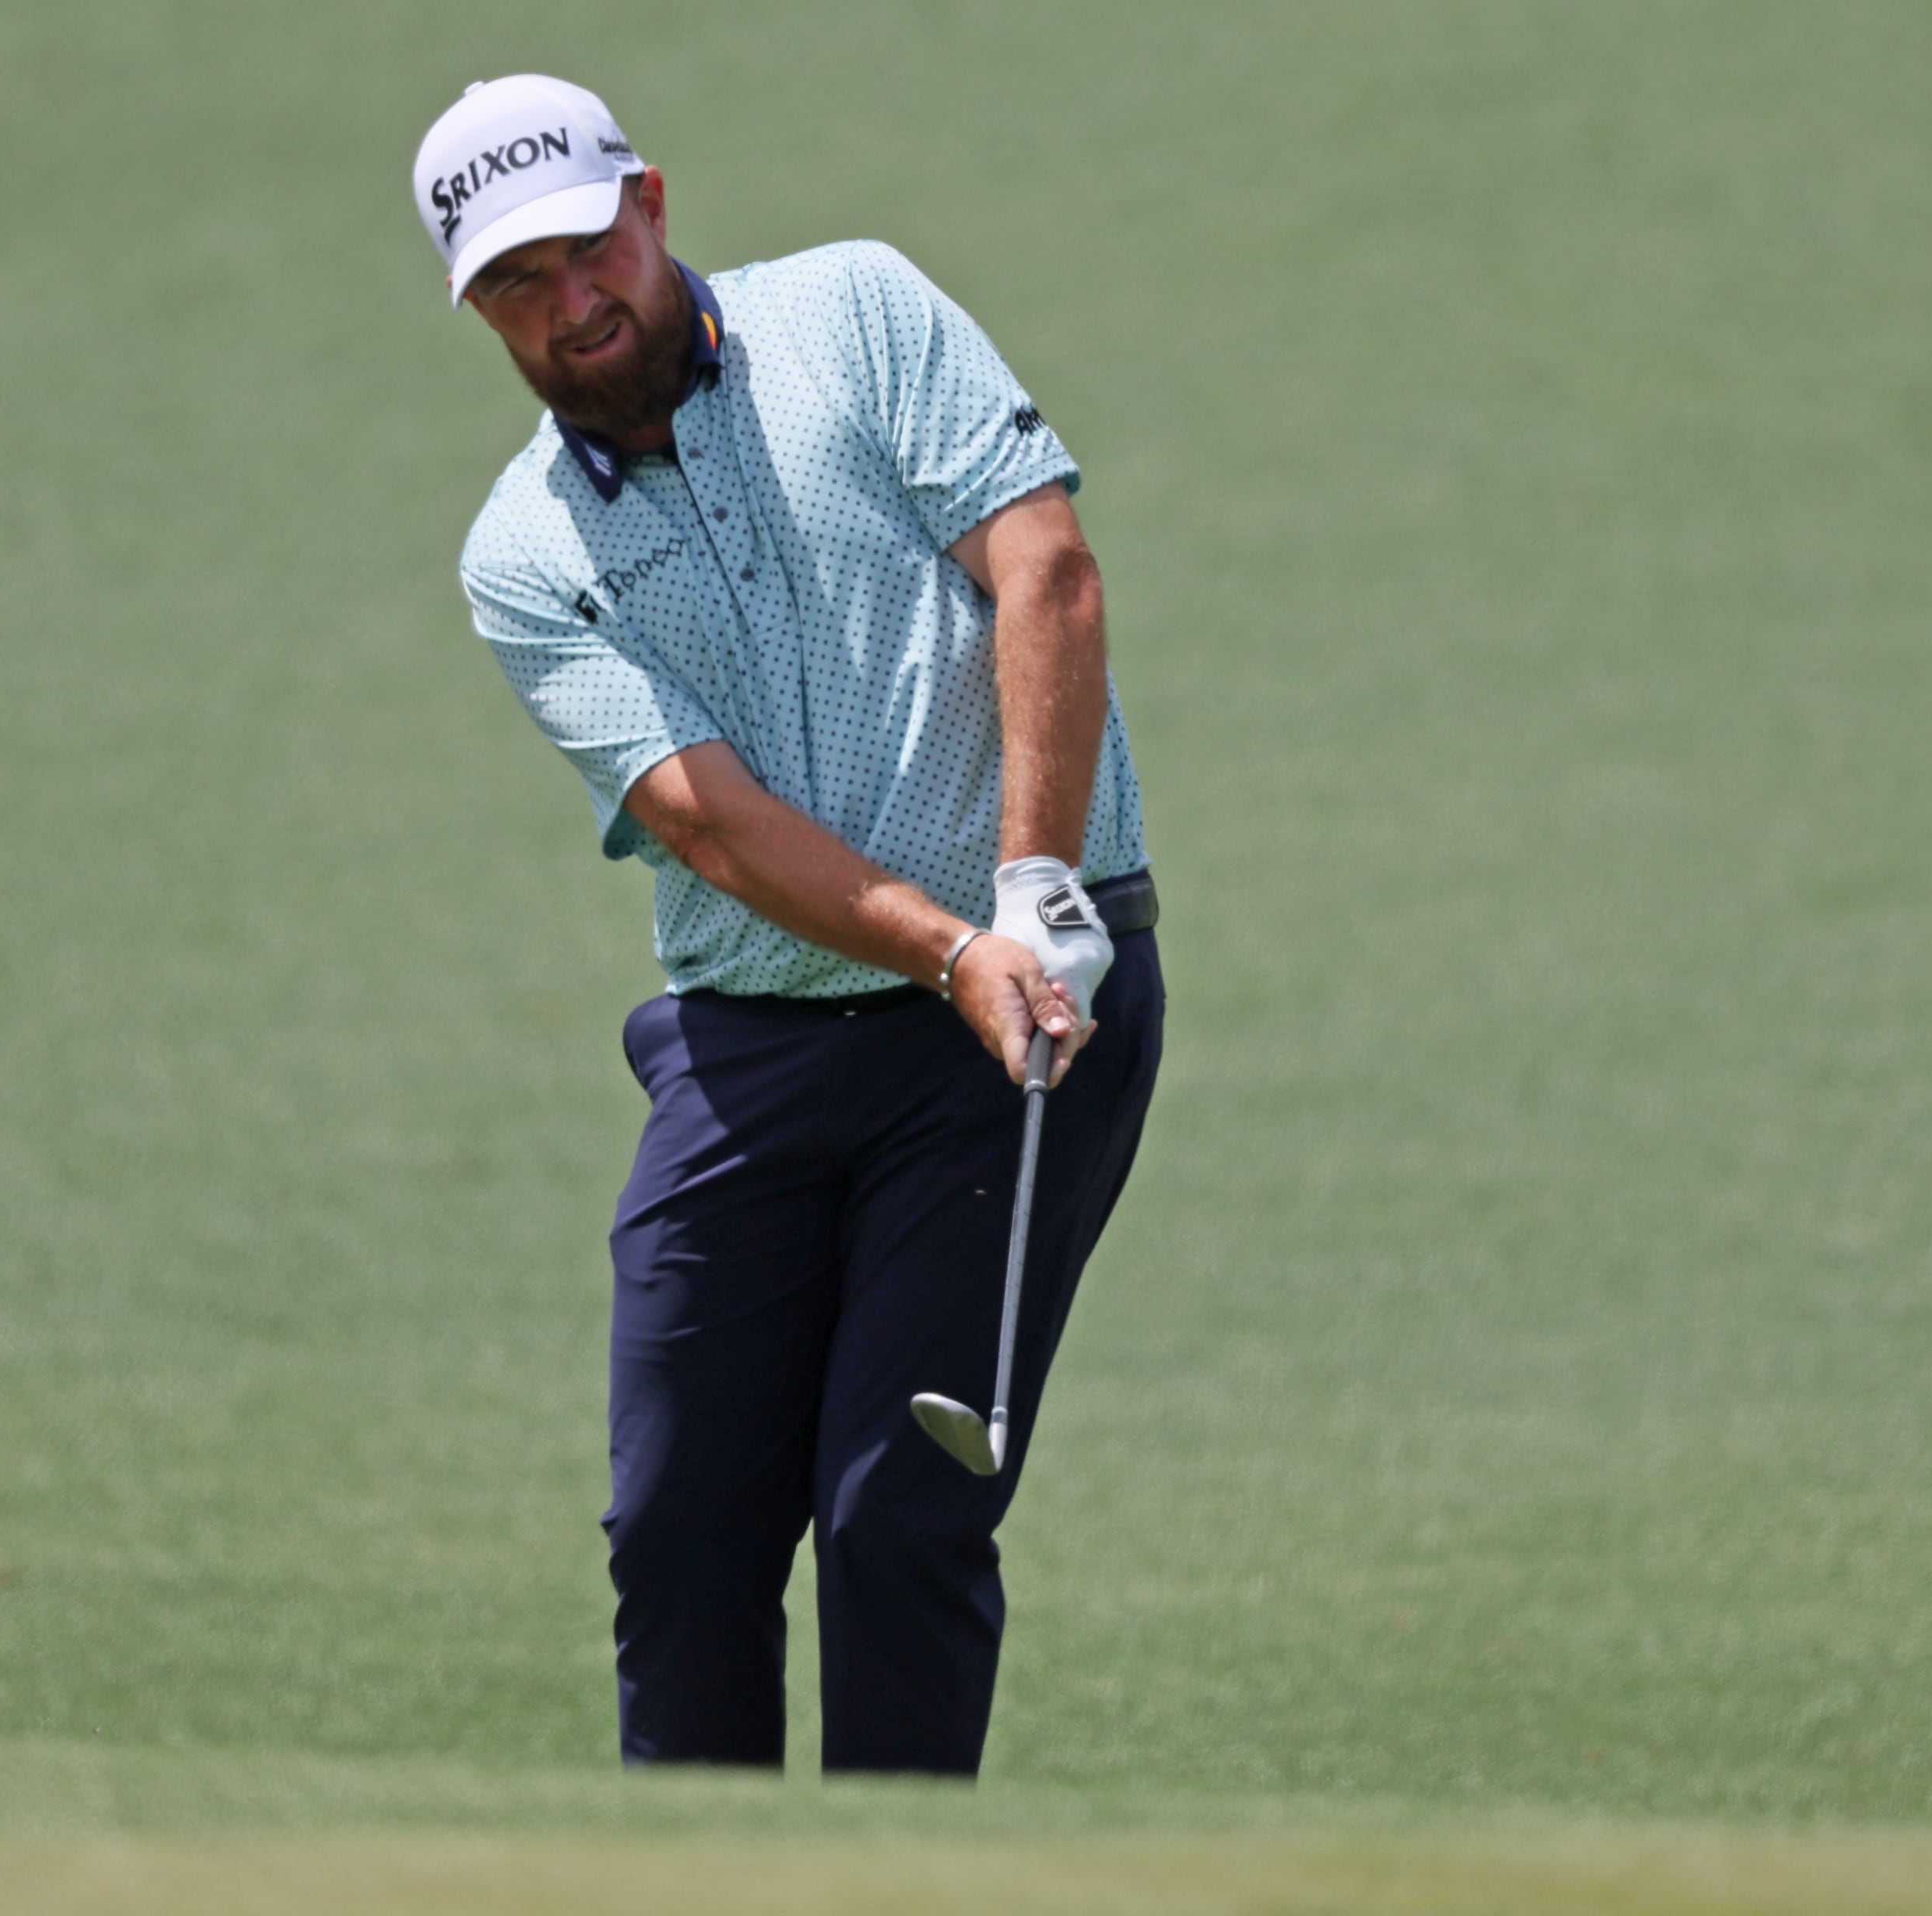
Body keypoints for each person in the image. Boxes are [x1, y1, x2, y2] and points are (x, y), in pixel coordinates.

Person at [411, 74, 1165, 1774]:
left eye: (586, 249)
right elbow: (708, 822)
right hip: (755, 1042)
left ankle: (885, 1880)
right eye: (517, 284)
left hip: (1025, 1011)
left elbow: (1044, 570)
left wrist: (1029, 895)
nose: (571, 303)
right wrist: (951, 948)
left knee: (897, 1517)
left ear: (651, 204)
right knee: (676, 1525)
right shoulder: (522, 552)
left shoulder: (858, 313)